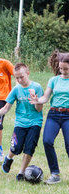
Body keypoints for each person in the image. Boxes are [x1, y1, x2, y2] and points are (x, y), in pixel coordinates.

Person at [0, 63, 43, 181]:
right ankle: (9, 158)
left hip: (35, 122)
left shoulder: (37, 87)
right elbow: (7, 107)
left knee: (29, 148)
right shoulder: (16, 89)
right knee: (16, 148)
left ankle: (21, 172)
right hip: (20, 123)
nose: (19, 80)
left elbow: (39, 109)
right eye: (16, 77)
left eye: (21, 77)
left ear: (27, 74)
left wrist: (36, 101)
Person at [29, 51, 69, 184]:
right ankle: (55, 174)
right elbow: (45, 97)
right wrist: (37, 100)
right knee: (47, 141)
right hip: (53, 114)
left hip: (68, 115)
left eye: (65, 69)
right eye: (61, 68)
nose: (62, 71)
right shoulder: (54, 80)